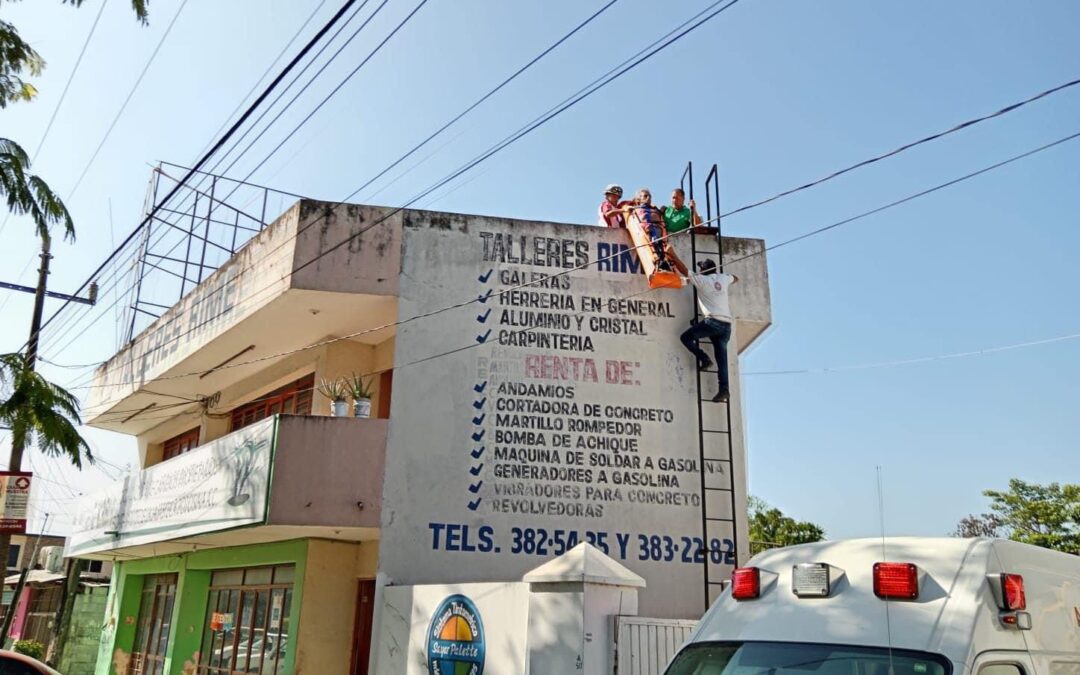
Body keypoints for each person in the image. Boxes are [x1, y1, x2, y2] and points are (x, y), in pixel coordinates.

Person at [670, 253, 738, 402]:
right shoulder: (723, 278)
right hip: (726, 325)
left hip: (713, 322)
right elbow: (735, 278)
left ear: (703, 271)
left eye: (700, 268)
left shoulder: (701, 280)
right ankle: (724, 389)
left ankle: (704, 358)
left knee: (686, 337)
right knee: (722, 361)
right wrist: (722, 280)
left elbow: (683, 269)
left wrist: (672, 254)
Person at [624, 187, 673, 271]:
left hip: (659, 231)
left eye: (649, 196)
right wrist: (647, 227)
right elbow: (643, 219)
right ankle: (659, 264)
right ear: (638, 199)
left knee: (662, 246)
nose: (648, 198)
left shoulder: (654, 209)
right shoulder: (637, 209)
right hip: (649, 232)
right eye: (645, 196)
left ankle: (665, 263)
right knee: (655, 244)